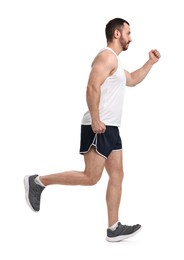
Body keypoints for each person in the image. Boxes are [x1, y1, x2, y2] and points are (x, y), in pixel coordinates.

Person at [24, 18, 161, 242]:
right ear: (117, 33)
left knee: (117, 175)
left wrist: (150, 63)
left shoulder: (114, 62)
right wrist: (96, 118)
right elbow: (91, 85)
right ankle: (38, 181)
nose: (131, 37)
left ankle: (113, 227)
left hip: (112, 128)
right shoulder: (106, 56)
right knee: (91, 177)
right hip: (99, 126)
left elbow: (133, 79)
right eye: (128, 32)